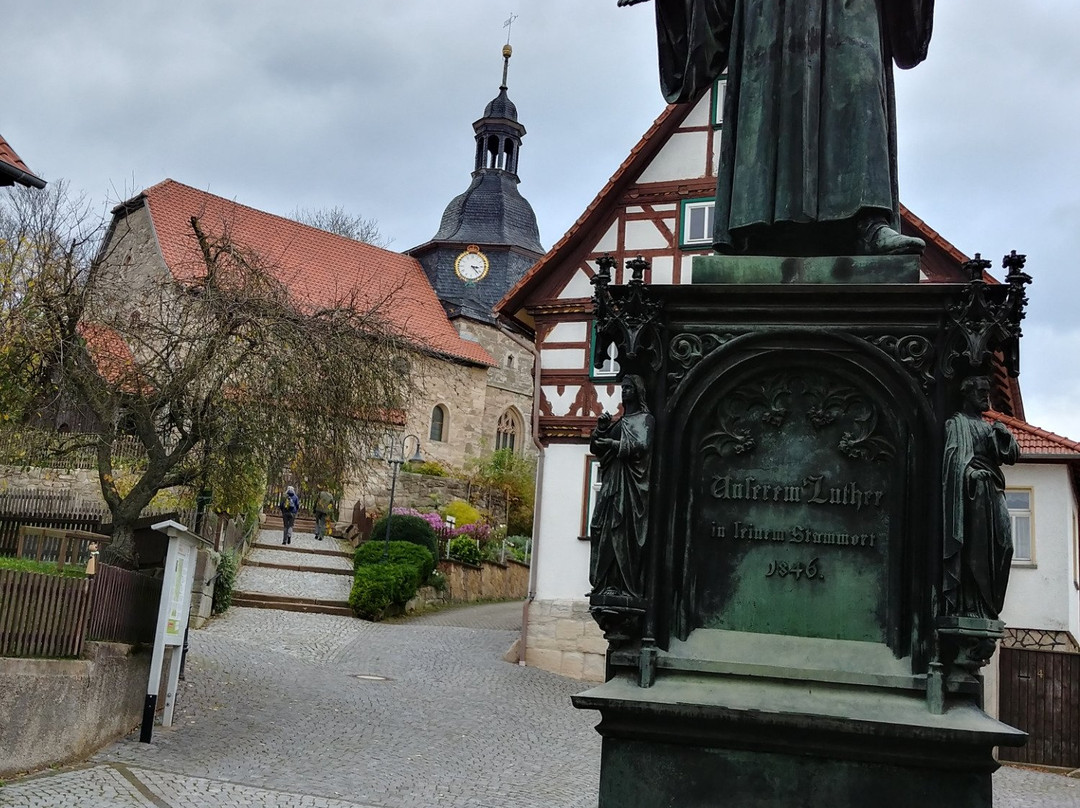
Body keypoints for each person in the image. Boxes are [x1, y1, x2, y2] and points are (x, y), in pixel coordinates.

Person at [621, 0, 933, 257]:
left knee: (858, 85)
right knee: (768, 100)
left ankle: (867, 222)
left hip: (851, 14)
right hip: (769, 18)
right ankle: (756, 227)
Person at [942, 376, 1020, 621]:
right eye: (982, 392)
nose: (986, 397)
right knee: (974, 547)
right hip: (971, 494)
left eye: (988, 392)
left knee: (1004, 544)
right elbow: (952, 460)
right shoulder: (957, 424)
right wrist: (971, 473)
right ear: (967, 393)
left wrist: (1004, 434)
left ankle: (989, 606)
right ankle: (970, 605)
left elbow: (1010, 455)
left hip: (992, 491)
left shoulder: (988, 427)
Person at [589, 375, 655, 599]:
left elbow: (643, 446)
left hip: (631, 488)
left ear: (637, 392)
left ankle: (624, 587)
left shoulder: (645, 419)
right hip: (611, 483)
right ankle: (605, 584)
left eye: (629, 388)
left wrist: (614, 444)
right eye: (623, 388)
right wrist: (601, 430)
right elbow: (598, 448)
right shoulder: (620, 421)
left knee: (623, 532)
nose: (624, 391)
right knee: (602, 527)